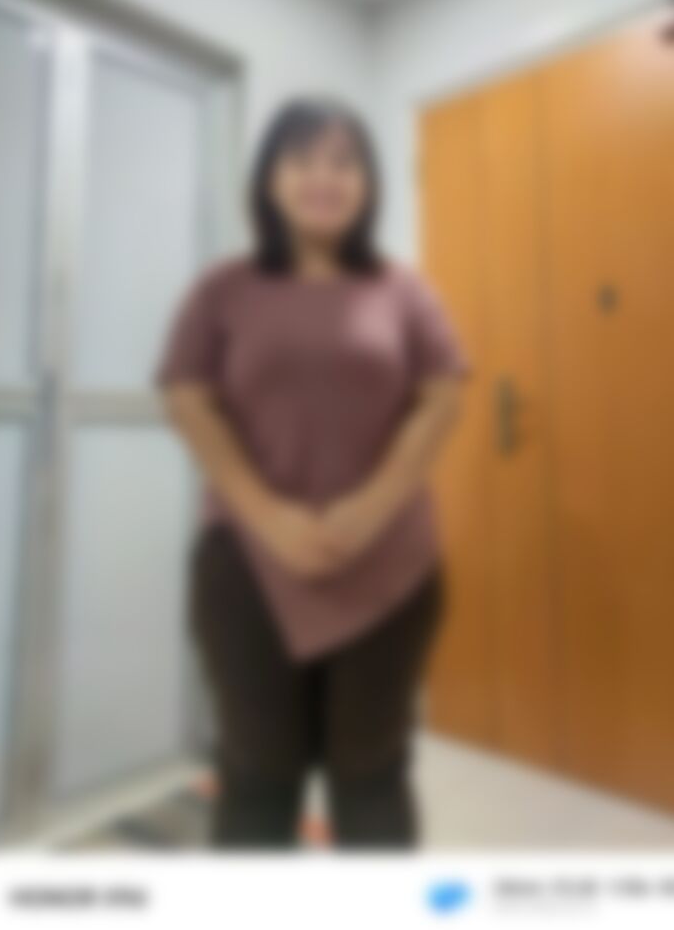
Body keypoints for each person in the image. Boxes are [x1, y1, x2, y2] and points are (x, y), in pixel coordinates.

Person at [157, 98, 468, 848]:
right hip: (247, 566)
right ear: (270, 178)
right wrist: (268, 515)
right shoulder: (223, 288)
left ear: (369, 183)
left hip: (387, 562)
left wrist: (371, 508)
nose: (323, 178)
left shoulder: (402, 288)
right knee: (257, 775)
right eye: (301, 160)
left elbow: (444, 393)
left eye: (343, 162)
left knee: (373, 773)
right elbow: (187, 395)